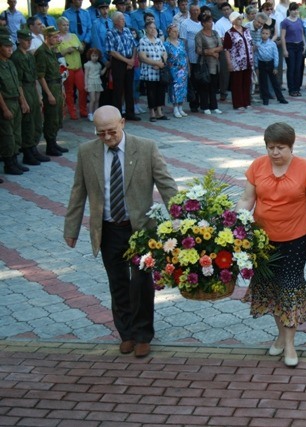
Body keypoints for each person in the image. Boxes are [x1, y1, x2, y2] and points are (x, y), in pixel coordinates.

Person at [64, 105, 178, 359]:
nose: (106, 138)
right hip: (108, 229)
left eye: (111, 132)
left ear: (123, 123)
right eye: (100, 133)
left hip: (139, 229)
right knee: (117, 283)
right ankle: (126, 333)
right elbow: (77, 192)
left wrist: (184, 219)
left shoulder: (146, 147)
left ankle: (143, 335)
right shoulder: (86, 152)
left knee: (141, 282)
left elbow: (167, 184)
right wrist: (71, 229)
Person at [237, 122, 306, 368]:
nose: (275, 153)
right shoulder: (257, 167)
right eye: (270, 147)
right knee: (272, 289)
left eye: (280, 148)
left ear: (291, 146)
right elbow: (246, 199)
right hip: (263, 241)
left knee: (289, 289)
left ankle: (291, 344)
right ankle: (282, 336)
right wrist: (233, 223)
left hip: (296, 239)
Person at [11, 29, 50, 167]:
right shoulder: (16, 57)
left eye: (30, 40)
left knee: (36, 121)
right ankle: (28, 151)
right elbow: (18, 82)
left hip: (32, 89)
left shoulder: (29, 56)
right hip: (24, 90)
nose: (28, 42)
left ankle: (33, 148)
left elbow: (33, 78)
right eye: (26, 40)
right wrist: (23, 101)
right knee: (27, 123)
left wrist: (38, 95)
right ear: (19, 40)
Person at [35, 26, 68, 157]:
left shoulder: (51, 50)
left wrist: (62, 88)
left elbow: (57, 72)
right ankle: (50, 144)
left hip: (57, 85)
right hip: (50, 87)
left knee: (57, 116)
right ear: (47, 37)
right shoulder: (42, 52)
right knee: (51, 117)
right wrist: (48, 94)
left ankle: (54, 142)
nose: (56, 39)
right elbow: (41, 75)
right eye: (54, 37)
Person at [0, 34, 29, 176]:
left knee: (17, 132)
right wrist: (4, 109)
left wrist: (23, 101)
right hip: (6, 102)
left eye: (11, 46)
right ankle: (8, 163)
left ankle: (15, 160)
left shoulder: (10, 63)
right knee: (8, 135)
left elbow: (18, 84)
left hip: (15, 101)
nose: (10, 49)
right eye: (6, 47)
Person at [106, 12, 142, 121]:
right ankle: (117, 115)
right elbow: (112, 51)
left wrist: (132, 60)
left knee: (129, 88)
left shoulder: (127, 30)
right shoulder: (110, 33)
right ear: (115, 22)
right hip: (118, 62)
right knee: (118, 89)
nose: (124, 20)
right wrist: (127, 61)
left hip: (130, 60)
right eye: (121, 19)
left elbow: (134, 46)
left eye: (123, 19)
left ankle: (130, 113)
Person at [58, 16, 88, 121]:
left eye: (67, 25)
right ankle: (72, 112)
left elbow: (81, 49)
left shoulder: (74, 36)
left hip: (78, 67)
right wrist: (66, 50)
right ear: (59, 26)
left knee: (83, 89)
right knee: (69, 91)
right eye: (63, 25)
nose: (66, 27)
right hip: (67, 68)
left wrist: (80, 48)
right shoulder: (57, 38)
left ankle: (83, 110)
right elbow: (57, 54)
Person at [223, 11, 254, 110]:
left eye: (241, 18)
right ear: (233, 21)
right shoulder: (229, 33)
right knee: (237, 83)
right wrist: (229, 63)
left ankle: (246, 102)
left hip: (248, 61)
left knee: (247, 82)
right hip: (236, 62)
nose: (241, 20)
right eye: (238, 19)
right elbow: (226, 50)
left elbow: (250, 44)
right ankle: (238, 103)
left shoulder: (246, 30)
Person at [139, 21, 169, 121]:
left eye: (154, 28)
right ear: (146, 29)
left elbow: (164, 52)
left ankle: (159, 112)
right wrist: (155, 63)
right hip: (149, 71)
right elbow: (142, 57)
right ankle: (152, 113)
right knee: (151, 92)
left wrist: (161, 62)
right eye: (151, 28)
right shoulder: (143, 41)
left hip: (159, 71)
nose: (153, 30)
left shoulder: (158, 40)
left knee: (160, 91)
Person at [195, 13, 223, 115]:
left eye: (211, 21)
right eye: (208, 22)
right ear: (203, 23)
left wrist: (213, 51)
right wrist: (211, 53)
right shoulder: (199, 35)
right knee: (204, 86)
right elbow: (198, 50)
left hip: (215, 64)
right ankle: (204, 106)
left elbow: (220, 46)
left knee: (214, 86)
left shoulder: (215, 33)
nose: (211, 23)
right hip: (205, 64)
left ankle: (214, 106)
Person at [255, 27, 289, 104]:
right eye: (263, 33)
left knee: (275, 82)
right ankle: (265, 99)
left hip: (270, 63)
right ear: (260, 34)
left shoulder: (272, 44)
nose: (264, 35)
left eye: (267, 34)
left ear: (270, 35)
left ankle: (280, 98)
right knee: (263, 82)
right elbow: (256, 55)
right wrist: (256, 66)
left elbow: (276, 55)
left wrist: (275, 66)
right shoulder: (258, 44)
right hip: (262, 64)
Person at [179, 3, 203, 112]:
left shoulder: (203, 23)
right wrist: (186, 59)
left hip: (203, 58)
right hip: (191, 58)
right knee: (193, 82)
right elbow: (183, 42)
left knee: (203, 81)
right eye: (193, 10)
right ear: (190, 11)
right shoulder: (185, 24)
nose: (195, 12)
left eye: (197, 10)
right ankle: (194, 104)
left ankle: (203, 102)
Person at [164, 23, 189, 118]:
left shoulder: (181, 42)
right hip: (173, 69)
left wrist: (188, 68)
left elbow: (185, 55)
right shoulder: (166, 44)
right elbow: (165, 57)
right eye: (174, 32)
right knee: (174, 88)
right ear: (169, 33)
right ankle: (175, 108)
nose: (176, 33)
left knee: (183, 88)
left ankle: (181, 107)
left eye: (177, 32)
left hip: (183, 69)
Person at [281, 2, 306, 97]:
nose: (295, 12)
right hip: (290, 46)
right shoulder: (285, 22)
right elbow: (283, 36)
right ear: (290, 10)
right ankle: (291, 89)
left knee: (298, 68)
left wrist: (305, 45)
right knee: (291, 67)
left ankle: (297, 88)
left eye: (296, 10)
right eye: (293, 10)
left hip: (299, 45)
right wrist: (284, 50)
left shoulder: (300, 21)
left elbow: (302, 34)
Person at [215, 2, 234, 102]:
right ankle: (223, 93)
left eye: (228, 9)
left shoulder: (235, 19)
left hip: (237, 50)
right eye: (224, 10)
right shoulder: (219, 23)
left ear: (231, 9)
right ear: (222, 11)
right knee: (224, 73)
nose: (226, 11)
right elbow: (220, 38)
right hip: (225, 50)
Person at [84, 48, 105, 122]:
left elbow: (101, 73)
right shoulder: (87, 65)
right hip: (91, 81)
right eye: (93, 55)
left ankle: (96, 113)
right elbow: (86, 75)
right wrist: (86, 85)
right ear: (90, 56)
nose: (94, 57)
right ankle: (90, 113)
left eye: (96, 56)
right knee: (92, 99)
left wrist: (106, 67)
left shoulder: (99, 64)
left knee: (97, 99)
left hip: (98, 81)